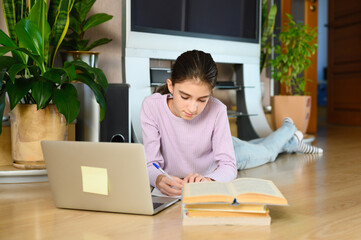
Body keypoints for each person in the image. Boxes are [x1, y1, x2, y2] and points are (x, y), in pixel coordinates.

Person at [140, 50, 323, 196]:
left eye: (202, 100)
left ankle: (288, 128)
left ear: (211, 94)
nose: (192, 108)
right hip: (220, 145)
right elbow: (151, 164)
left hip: (228, 154)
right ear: (171, 86)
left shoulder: (217, 109)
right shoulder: (152, 107)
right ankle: (292, 143)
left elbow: (228, 165)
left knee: (267, 153)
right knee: (260, 147)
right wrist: (157, 179)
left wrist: (210, 181)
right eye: (185, 97)